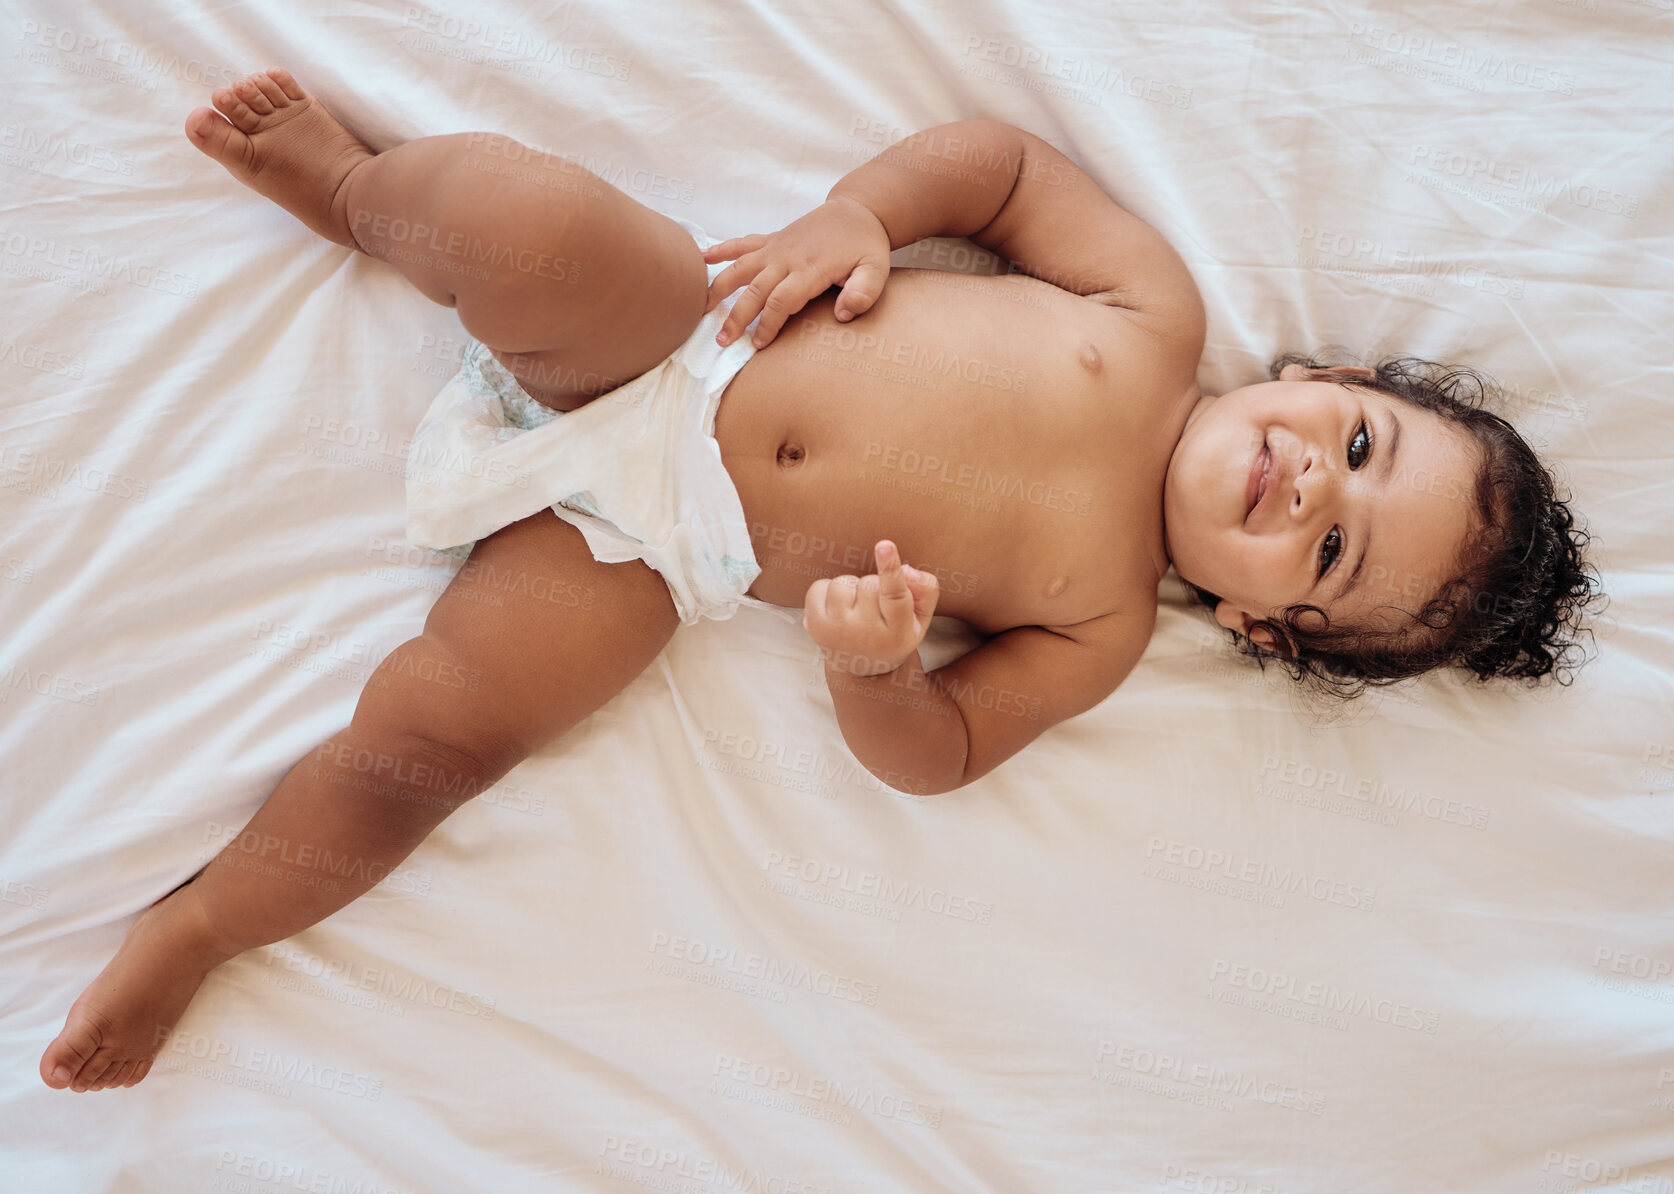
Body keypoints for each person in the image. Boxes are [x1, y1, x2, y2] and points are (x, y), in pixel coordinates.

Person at [39, 69, 1596, 1092]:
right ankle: (355, 196)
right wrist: (862, 215)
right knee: (530, 215)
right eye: (1361, 442)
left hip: (658, 548)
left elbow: (943, 755)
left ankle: (205, 926)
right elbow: (991, 172)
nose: (1317, 483)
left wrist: (875, 672)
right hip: (685, 331)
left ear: (1261, 623)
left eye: (1328, 548)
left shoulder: (1102, 624)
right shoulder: (1146, 314)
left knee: (431, 746)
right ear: (1327, 377)